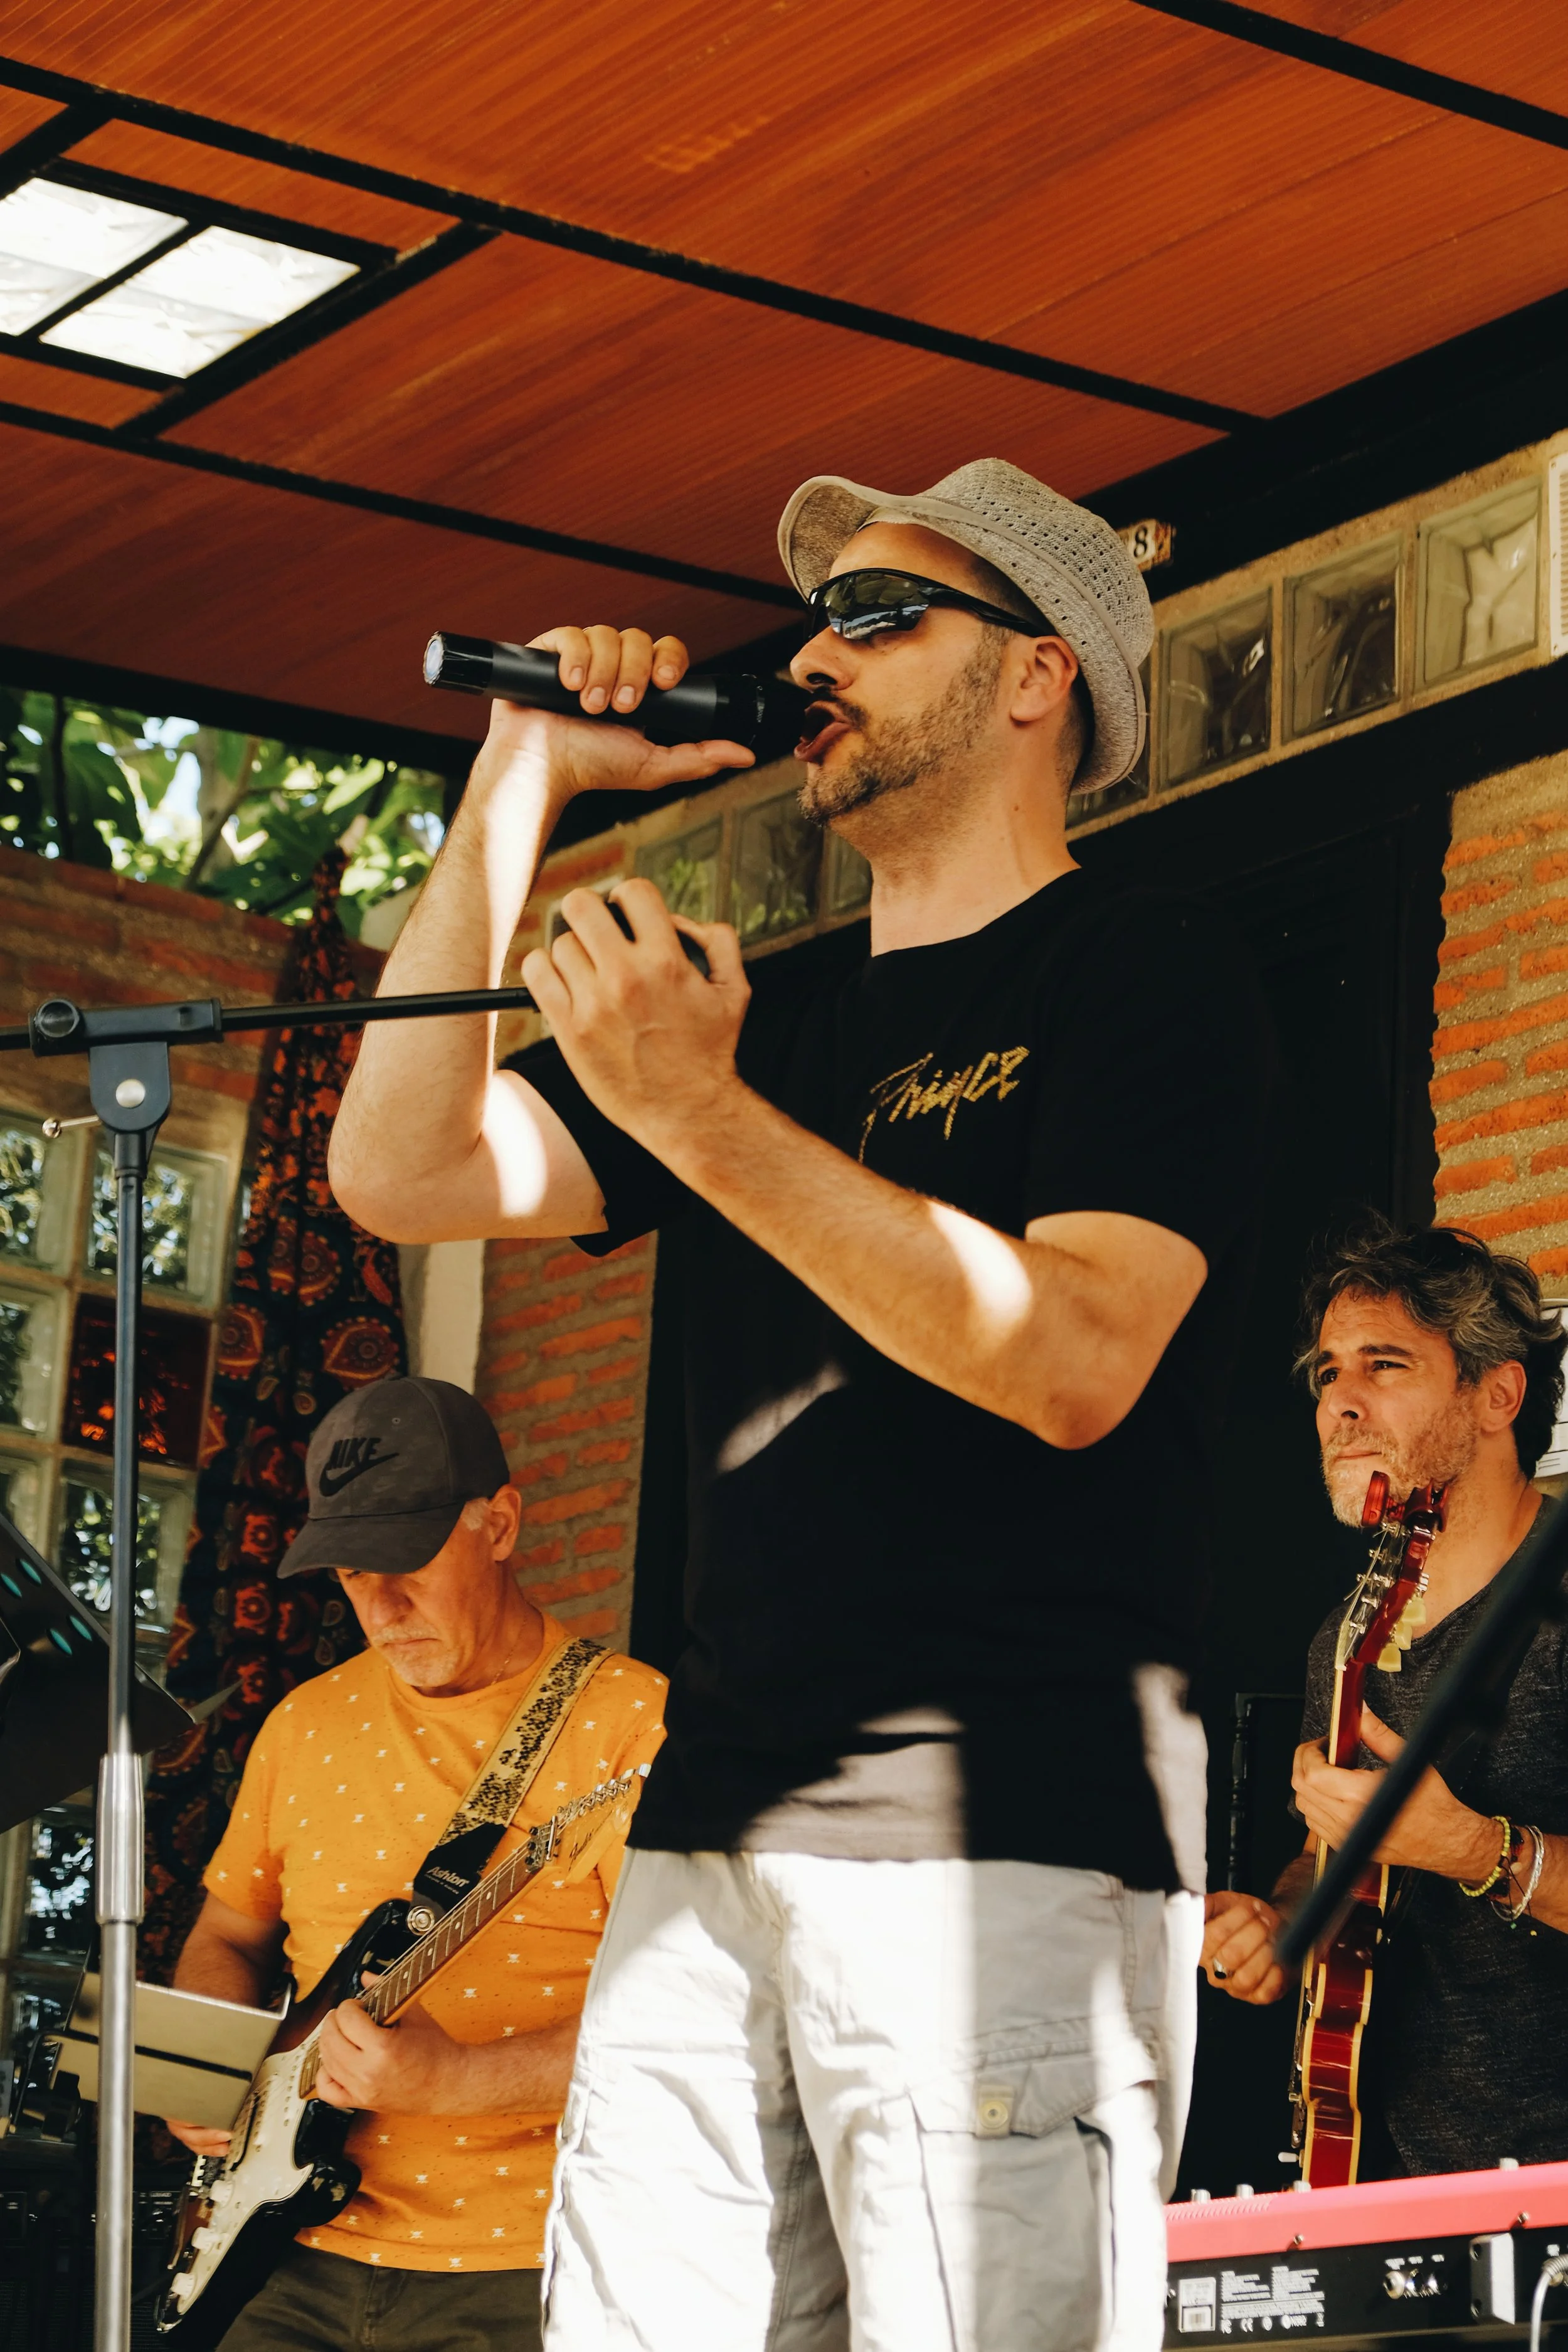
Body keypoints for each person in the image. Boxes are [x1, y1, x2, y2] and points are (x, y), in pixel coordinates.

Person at [331, 458, 1271, 2351]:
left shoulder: (1147, 967)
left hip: (995, 1834)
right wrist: (516, 779)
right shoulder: (766, 1022)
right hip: (709, 1842)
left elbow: (1072, 1356)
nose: (814, 654)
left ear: (1035, 675)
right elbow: (396, 1165)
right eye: (810, 616)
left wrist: (694, 1110)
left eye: (876, 612)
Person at [164, 1375, 666, 2352]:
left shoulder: (637, 1730)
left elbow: (695, 2023)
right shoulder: (304, 1724)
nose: (383, 1606)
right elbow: (228, 1930)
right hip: (278, 2250)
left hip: (528, 2263)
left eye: (408, 1561)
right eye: (353, 1572)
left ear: (502, 1523)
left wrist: (460, 2081)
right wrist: (215, 2076)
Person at [1202, 1216, 1568, 2176]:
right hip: (1374, 2177)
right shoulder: (1348, 1633)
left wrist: (1473, 1847)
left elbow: (1438, 1842)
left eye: (1385, 1365)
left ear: (1497, 1394)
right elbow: (1334, 1857)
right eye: (1329, 1373)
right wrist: (1287, 1917)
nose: (1340, 1404)